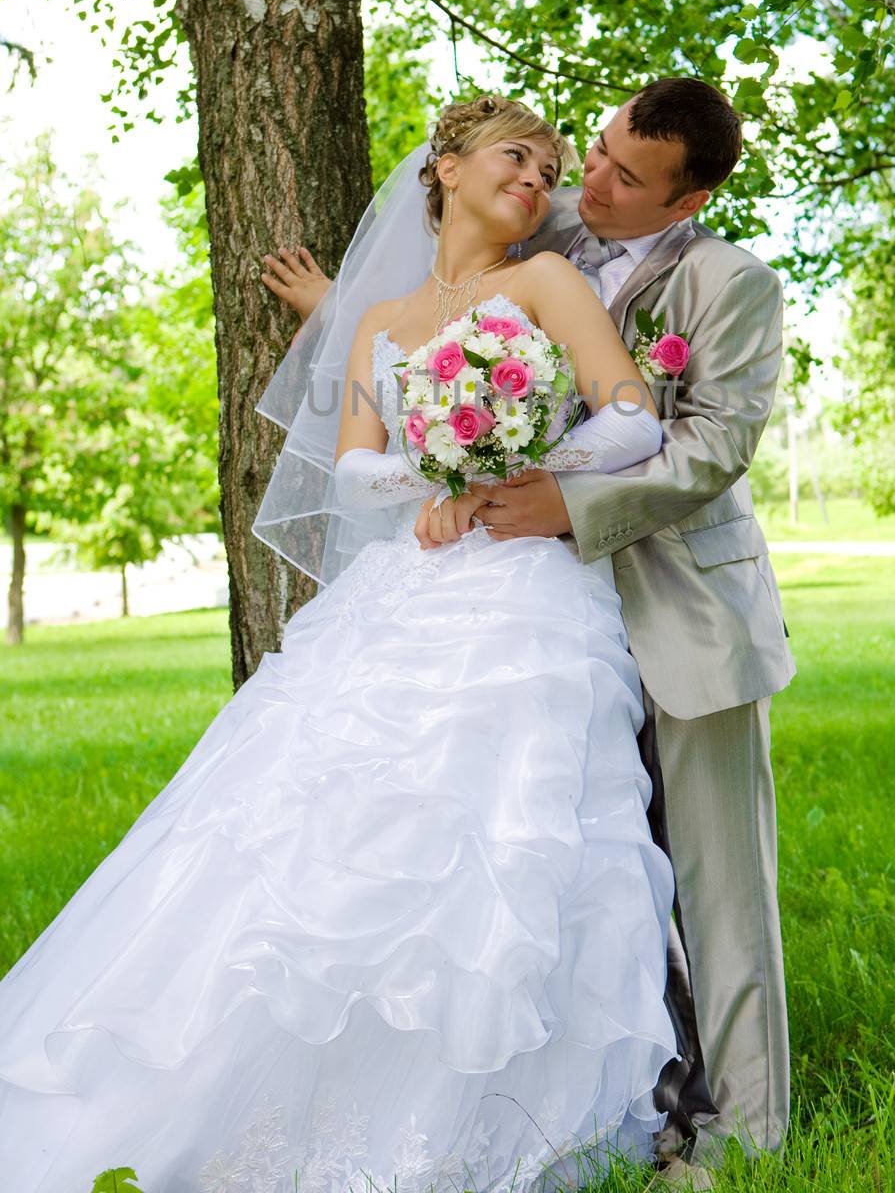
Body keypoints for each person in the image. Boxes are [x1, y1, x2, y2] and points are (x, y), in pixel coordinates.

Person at [0, 94, 691, 1193]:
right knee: (314, 829)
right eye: (519, 156)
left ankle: (487, 1104)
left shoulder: (546, 284)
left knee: (504, 830)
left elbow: (629, 415)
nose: (541, 179)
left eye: (553, 167)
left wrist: (515, 477)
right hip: (405, 589)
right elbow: (359, 461)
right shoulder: (379, 323)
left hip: (523, 591)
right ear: (447, 167)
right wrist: (439, 475)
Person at [267, 78, 795, 1183]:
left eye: (622, 177)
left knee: (713, 880)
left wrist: (565, 500)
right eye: (590, 154)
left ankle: (743, 1131)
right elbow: (440, 321)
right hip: (528, 601)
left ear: (686, 196)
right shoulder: (547, 223)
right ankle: (617, 1099)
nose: (587, 183)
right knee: (576, 863)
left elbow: (708, 450)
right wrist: (339, 315)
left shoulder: (727, 283)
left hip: (677, 597)